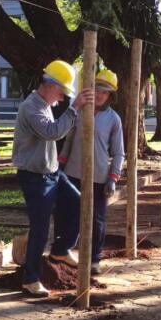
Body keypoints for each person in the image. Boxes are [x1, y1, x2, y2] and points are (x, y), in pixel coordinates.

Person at [12, 60, 95, 297]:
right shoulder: (32, 107)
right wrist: (75, 107)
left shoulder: (44, 103)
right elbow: (53, 132)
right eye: (61, 92)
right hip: (34, 176)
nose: (61, 98)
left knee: (79, 202)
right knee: (41, 227)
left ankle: (60, 249)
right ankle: (31, 279)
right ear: (49, 85)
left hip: (51, 171)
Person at [58, 68, 125, 275]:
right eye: (97, 90)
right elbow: (69, 139)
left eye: (104, 92)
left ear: (110, 96)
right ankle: (62, 252)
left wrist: (113, 178)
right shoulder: (78, 110)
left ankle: (94, 258)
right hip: (73, 173)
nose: (99, 95)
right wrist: (61, 163)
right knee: (67, 214)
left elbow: (119, 152)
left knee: (97, 219)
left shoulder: (113, 119)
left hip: (98, 176)